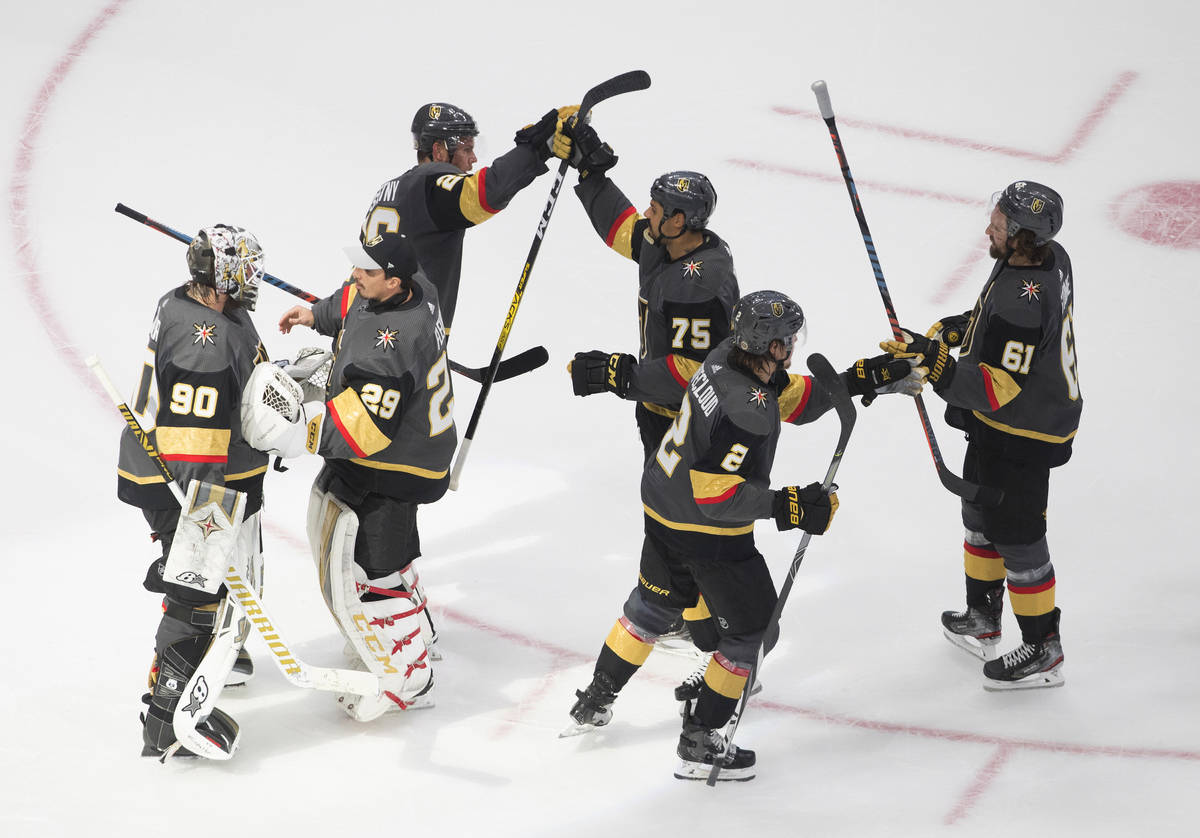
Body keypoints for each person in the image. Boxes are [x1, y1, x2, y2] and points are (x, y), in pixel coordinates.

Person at [566, 290, 919, 781]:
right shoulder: (747, 410)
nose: (793, 345)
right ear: (771, 346)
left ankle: (594, 700)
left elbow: (791, 397)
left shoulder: (723, 356)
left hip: (661, 506)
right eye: (788, 339)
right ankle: (700, 740)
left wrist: (865, 377)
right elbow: (715, 494)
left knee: (652, 607)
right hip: (705, 531)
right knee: (753, 635)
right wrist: (787, 505)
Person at [243, 231, 454, 719]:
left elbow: (367, 430)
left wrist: (300, 434)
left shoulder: (392, 347)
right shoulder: (411, 284)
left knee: (370, 569)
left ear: (393, 280)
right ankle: (413, 629)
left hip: (399, 464)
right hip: (409, 444)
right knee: (374, 551)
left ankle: (409, 677)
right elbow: (351, 302)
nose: (355, 276)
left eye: (366, 271)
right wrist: (316, 313)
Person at [881, 181, 1081, 690]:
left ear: (1022, 236)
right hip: (1001, 427)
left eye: (996, 226)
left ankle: (1043, 647)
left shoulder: (1023, 299)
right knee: (978, 513)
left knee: (1018, 536)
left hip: (1025, 431)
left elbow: (996, 389)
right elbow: (994, 326)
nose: (986, 230)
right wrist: (955, 332)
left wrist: (936, 362)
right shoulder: (1042, 258)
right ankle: (984, 616)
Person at [562, 118, 741, 685]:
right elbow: (622, 230)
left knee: (681, 527)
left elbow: (696, 373)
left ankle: (722, 642)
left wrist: (621, 374)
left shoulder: (700, 279)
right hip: (659, 414)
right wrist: (591, 175)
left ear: (682, 220)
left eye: (658, 207)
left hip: (691, 423)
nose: (648, 213)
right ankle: (695, 621)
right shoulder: (666, 242)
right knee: (671, 521)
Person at [116, 224, 270, 759]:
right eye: (246, 268)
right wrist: (202, 524)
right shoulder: (204, 340)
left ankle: (213, 662)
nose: (255, 278)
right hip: (190, 482)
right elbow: (192, 442)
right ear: (223, 275)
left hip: (207, 469)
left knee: (227, 582)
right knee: (197, 589)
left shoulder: (208, 309)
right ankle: (166, 720)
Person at [354, 100, 577, 334]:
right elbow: (486, 193)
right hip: (402, 344)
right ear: (439, 150)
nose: (473, 159)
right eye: (466, 150)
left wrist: (334, 317)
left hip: (361, 335)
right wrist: (536, 149)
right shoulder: (433, 183)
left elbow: (359, 272)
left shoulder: (388, 192)